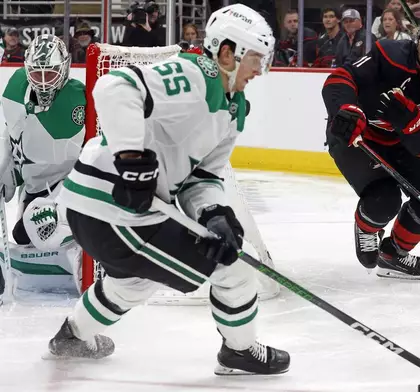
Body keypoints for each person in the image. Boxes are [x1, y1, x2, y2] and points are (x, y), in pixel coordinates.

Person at [47, 4, 290, 376]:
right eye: (255, 58)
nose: (260, 69)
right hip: (112, 206)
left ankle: (72, 337)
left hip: (101, 210)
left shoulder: (233, 108)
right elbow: (116, 86)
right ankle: (238, 350)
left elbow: (201, 179)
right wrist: (132, 159)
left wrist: (215, 216)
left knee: (134, 283)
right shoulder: (195, 75)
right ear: (227, 52)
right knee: (235, 272)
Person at [322, 11, 420, 280]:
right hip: (361, 137)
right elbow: (339, 79)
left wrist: (412, 123)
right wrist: (346, 110)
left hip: (401, 143)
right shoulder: (389, 53)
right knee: (384, 200)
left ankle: (394, 254)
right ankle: (366, 228)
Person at [0, 35, 86, 293]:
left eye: (51, 74)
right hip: (36, 187)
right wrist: (7, 170)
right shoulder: (14, 90)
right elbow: (12, 135)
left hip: (71, 184)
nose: (45, 82)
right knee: (26, 233)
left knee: (44, 223)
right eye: (38, 75)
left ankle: (88, 242)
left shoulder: (80, 97)